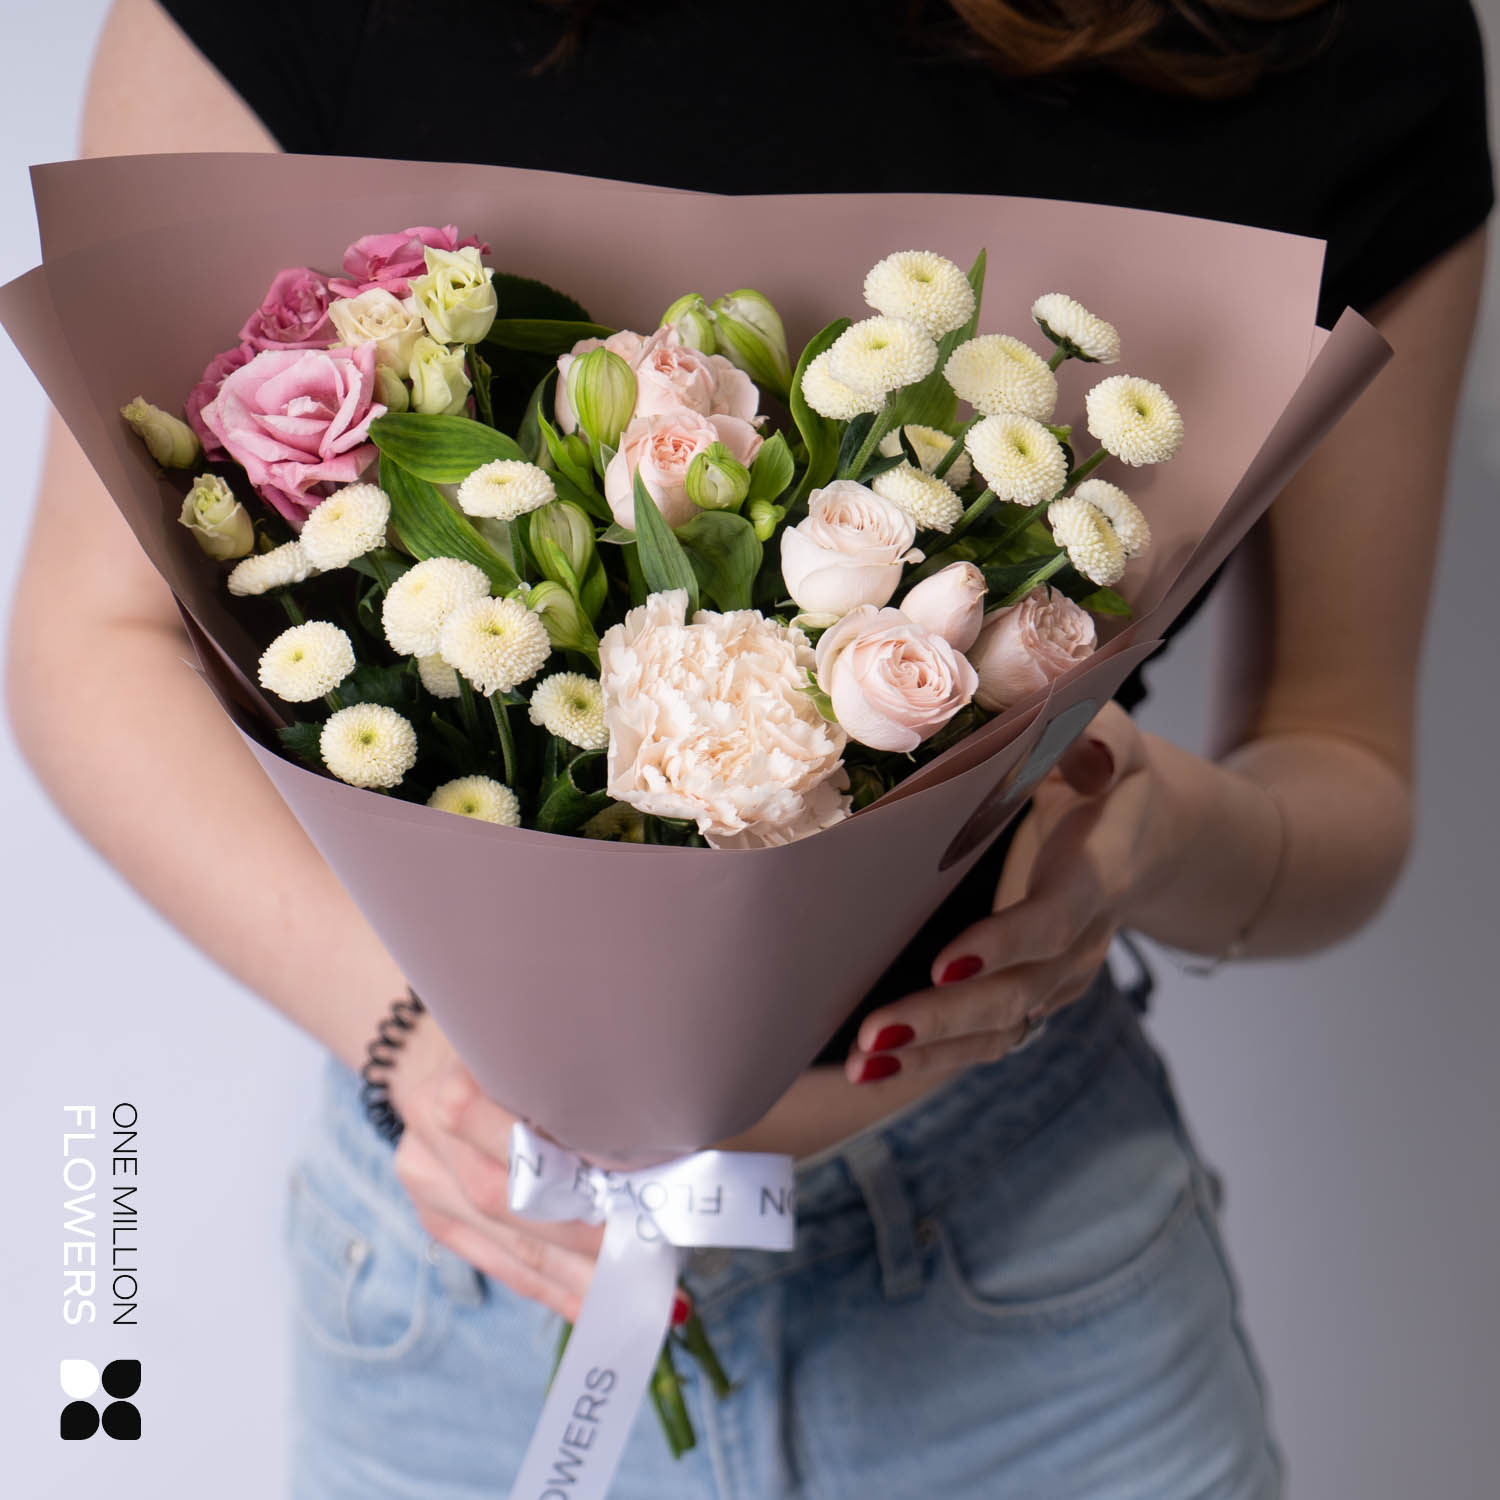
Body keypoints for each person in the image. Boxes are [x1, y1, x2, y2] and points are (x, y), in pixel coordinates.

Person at [6, 0, 1491, 1495]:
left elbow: (1339, 760)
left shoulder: (1325, 32)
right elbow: (92, 642)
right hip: (478, 1256)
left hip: (1033, 1273)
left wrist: (1151, 831)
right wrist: (419, 1049)